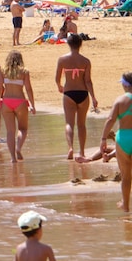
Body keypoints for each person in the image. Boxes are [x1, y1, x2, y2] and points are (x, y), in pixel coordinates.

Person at [54, 33, 97, 159]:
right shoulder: (85, 61)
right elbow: (88, 81)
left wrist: (59, 86)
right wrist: (93, 97)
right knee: (82, 124)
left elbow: (57, 78)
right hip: (83, 93)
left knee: (69, 123)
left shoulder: (62, 59)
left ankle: (71, 148)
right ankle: (82, 152)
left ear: (68, 44)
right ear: (80, 44)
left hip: (69, 93)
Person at [100, 72, 132, 212]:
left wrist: (103, 139)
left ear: (125, 85)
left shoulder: (119, 101)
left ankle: (125, 206)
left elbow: (110, 120)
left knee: (126, 176)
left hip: (123, 138)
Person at [0, 50, 36, 163]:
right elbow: (28, 89)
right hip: (20, 101)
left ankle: (13, 158)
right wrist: (32, 104)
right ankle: (18, 148)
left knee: (10, 131)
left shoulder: (3, 71)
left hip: (7, 101)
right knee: (23, 128)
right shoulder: (24, 72)